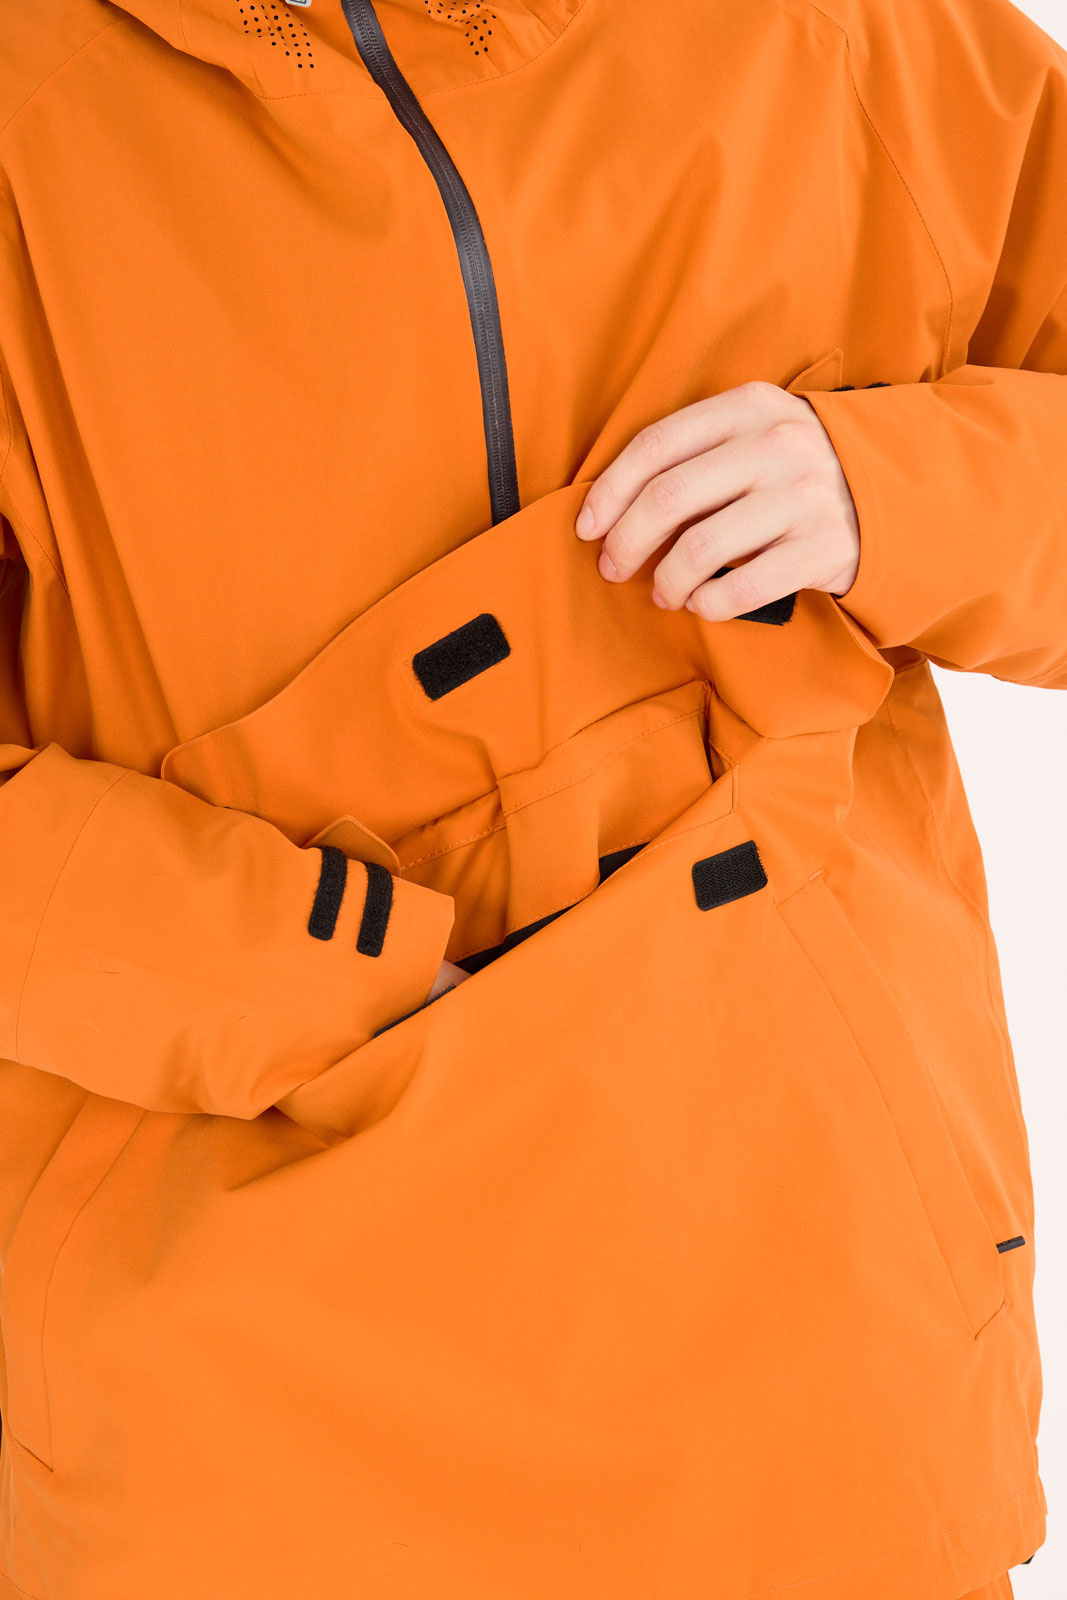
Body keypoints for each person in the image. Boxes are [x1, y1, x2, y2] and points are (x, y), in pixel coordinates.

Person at [0, 0, 1061, 1594]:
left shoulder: (825, 29)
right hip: (247, 1417)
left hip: (818, 1353)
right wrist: (318, 974)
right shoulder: (32, 118)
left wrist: (894, 490)